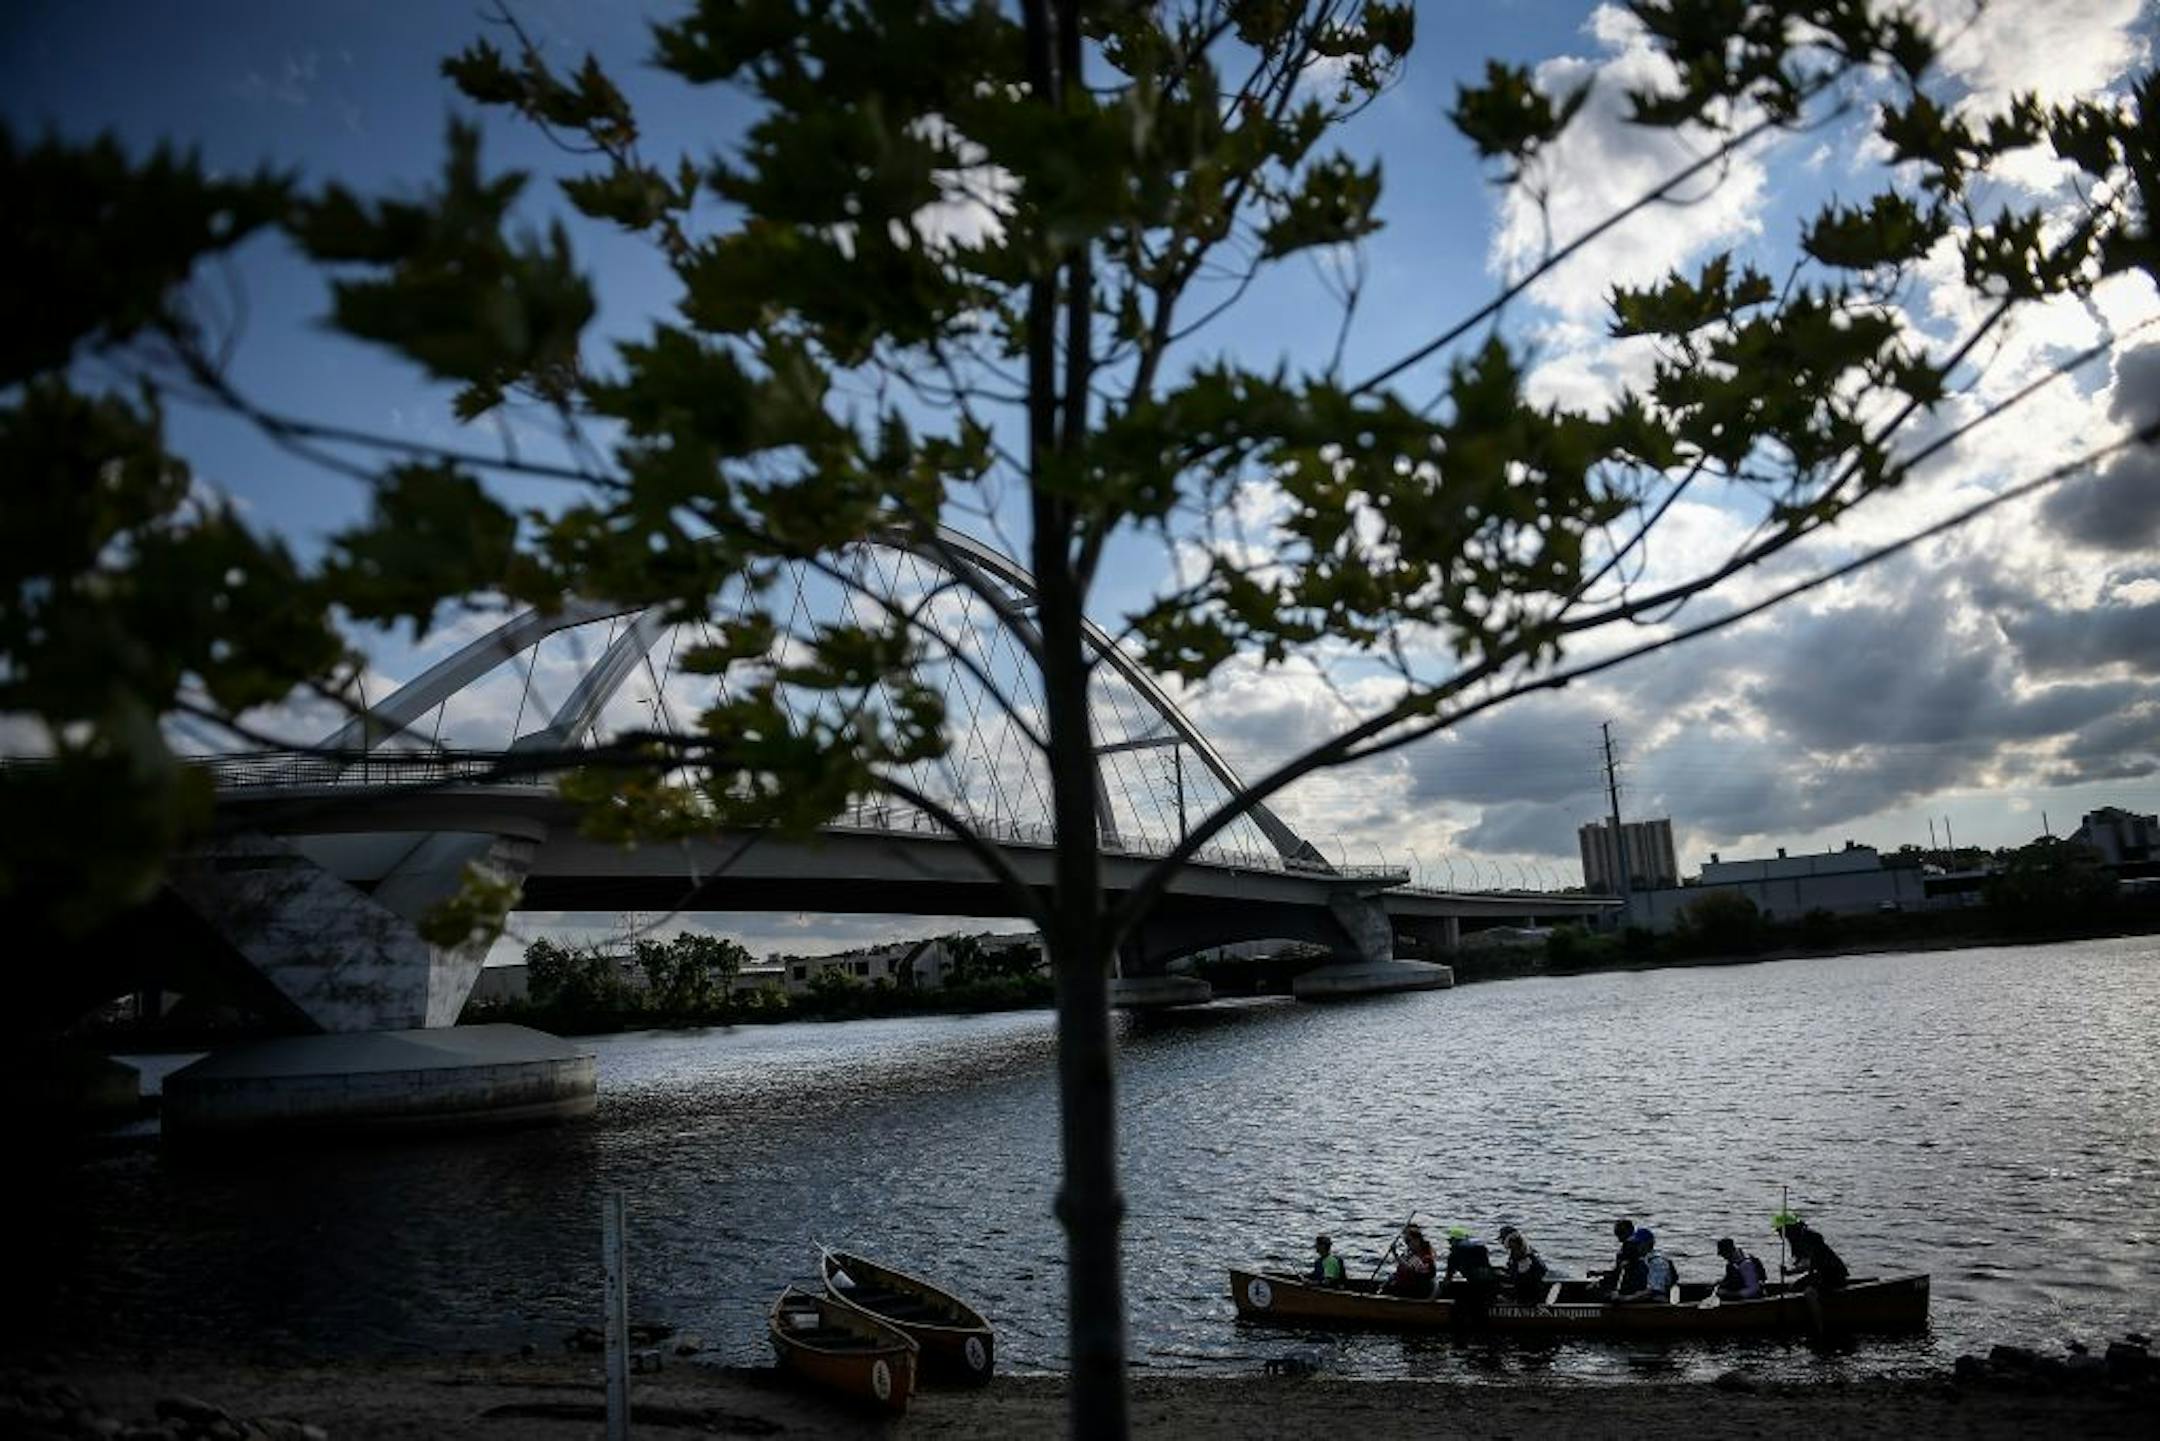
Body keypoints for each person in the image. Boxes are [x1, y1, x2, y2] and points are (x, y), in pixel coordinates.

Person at [1775, 1215, 1850, 1290]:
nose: (1780, 1234)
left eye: (1780, 1231)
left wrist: (1789, 1272)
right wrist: (1788, 1272)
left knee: (1808, 1291)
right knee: (1793, 1287)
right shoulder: (1797, 1240)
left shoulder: (1807, 1238)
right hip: (1822, 1274)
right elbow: (1804, 1264)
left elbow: (1807, 1264)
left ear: (1789, 1229)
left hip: (1834, 1275)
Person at [1615, 1227, 1675, 1304]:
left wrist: (1625, 1298)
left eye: (1637, 1243)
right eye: (1634, 1243)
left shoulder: (1658, 1263)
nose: (1635, 1246)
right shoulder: (1641, 1260)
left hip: (1656, 1303)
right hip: (1641, 1299)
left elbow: (1653, 1291)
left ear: (1646, 1244)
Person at [1386, 1224, 1437, 1298]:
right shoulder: (1410, 1253)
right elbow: (1403, 1265)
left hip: (1417, 1291)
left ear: (1417, 1240)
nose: (1407, 1244)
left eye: (1408, 1241)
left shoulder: (1426, 1257)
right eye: (1405, 1241)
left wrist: (1395, 1254)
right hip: (1406, 1286)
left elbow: (1410, 1268)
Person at [1499, 1228, 1550, 1303]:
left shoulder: (1524, 1257)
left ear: (1511, 1241)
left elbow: (1522, 1280)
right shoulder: (1518, 1253)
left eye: (1503, 1241)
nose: (1502, 1244)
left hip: (1528, 1298)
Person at [1592, 1216, 1637, 1296]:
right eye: (1617, 1232)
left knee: (1593, 1289)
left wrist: (1600, 1276)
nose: (1618, 1236)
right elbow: (1617, 1272)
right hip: (1625, 1283)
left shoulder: (1630, 1247)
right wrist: (1599, 1273)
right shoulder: (1630, 1246)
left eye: (1621, 1232)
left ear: (1630, 1231)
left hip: (1628, 1287)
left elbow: (1620, 1274)